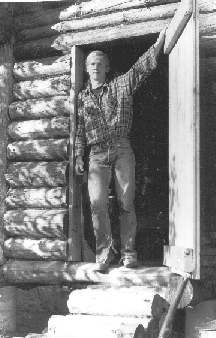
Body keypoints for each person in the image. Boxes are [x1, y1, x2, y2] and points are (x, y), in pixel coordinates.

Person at [75, 27, 167, 271]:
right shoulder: (82, 98)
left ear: (107, 67)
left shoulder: (120, 85)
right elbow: (80, 131)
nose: (95, 67)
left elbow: (141, 67)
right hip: (96, 154)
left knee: (126, 202)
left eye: (100, 63)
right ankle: (104, 255)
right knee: (97, 204)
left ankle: (128, 253)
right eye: (91, 63)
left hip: (121, 148)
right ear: (86, 68)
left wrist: (159, 41)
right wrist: (77, 155)